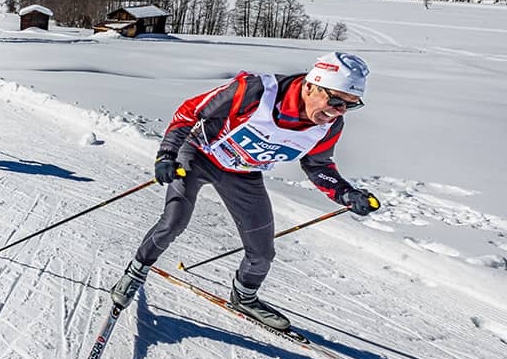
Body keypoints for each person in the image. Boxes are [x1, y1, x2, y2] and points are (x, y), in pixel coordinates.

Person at [108, 52, 380, 330]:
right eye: (335, 101)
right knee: (174, 221)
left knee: (262, 252)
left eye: (350, 105)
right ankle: (136, 272)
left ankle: (244, 297)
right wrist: (167, 154)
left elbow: (317, 164)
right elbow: (190, 111)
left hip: (243, 173)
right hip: (199, 154)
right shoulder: (256, 90)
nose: (338, 111)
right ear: (311, 85)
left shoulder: (330, 125)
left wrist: (345, 193)